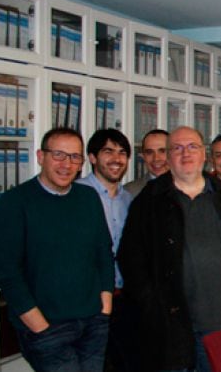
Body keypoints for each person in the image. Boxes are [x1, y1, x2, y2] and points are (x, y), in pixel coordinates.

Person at [118, 126, 221, 372]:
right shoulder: (149, 200)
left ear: (204, 154)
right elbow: (131, 260)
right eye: (177, 148)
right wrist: (152, 305)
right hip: (172, 328)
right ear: (168, 156)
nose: (185, 154)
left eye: (192, 147)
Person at [0, 127, 114, 372]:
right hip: (47, 327)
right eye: (58, 155)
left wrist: (105, 308)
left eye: (75, 157)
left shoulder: (88, 197)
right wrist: (38, 325)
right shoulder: (14, 202)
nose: (67, 164)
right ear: (41, 156)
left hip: (93, 322)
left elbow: (103, 252)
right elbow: (6, 271)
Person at [77, 128, 137, 372]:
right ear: (92, 157)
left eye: (122, 153)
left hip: (123, 298)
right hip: (88, 300)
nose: (116, 159)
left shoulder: (129, 199)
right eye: (108, 152)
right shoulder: (77, 194)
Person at [124, 129, 168, 197]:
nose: (156, 158)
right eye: (149, 152)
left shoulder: (188, 188)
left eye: (162, 151)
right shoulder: (128, 192)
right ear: (143, 156)